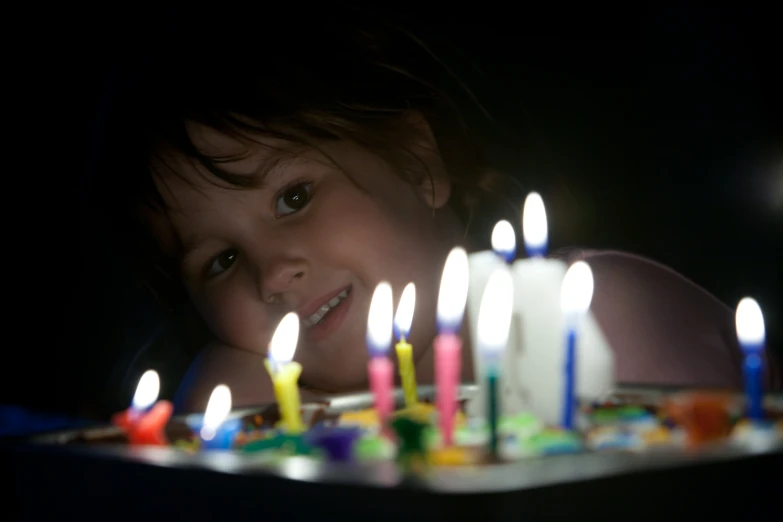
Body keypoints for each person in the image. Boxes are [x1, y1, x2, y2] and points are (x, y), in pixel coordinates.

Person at [93, 20, 780, 413]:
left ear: (418, 166)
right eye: (221, 261)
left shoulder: (596, 319)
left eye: (294, 197)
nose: (272, 275)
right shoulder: (275, 408)